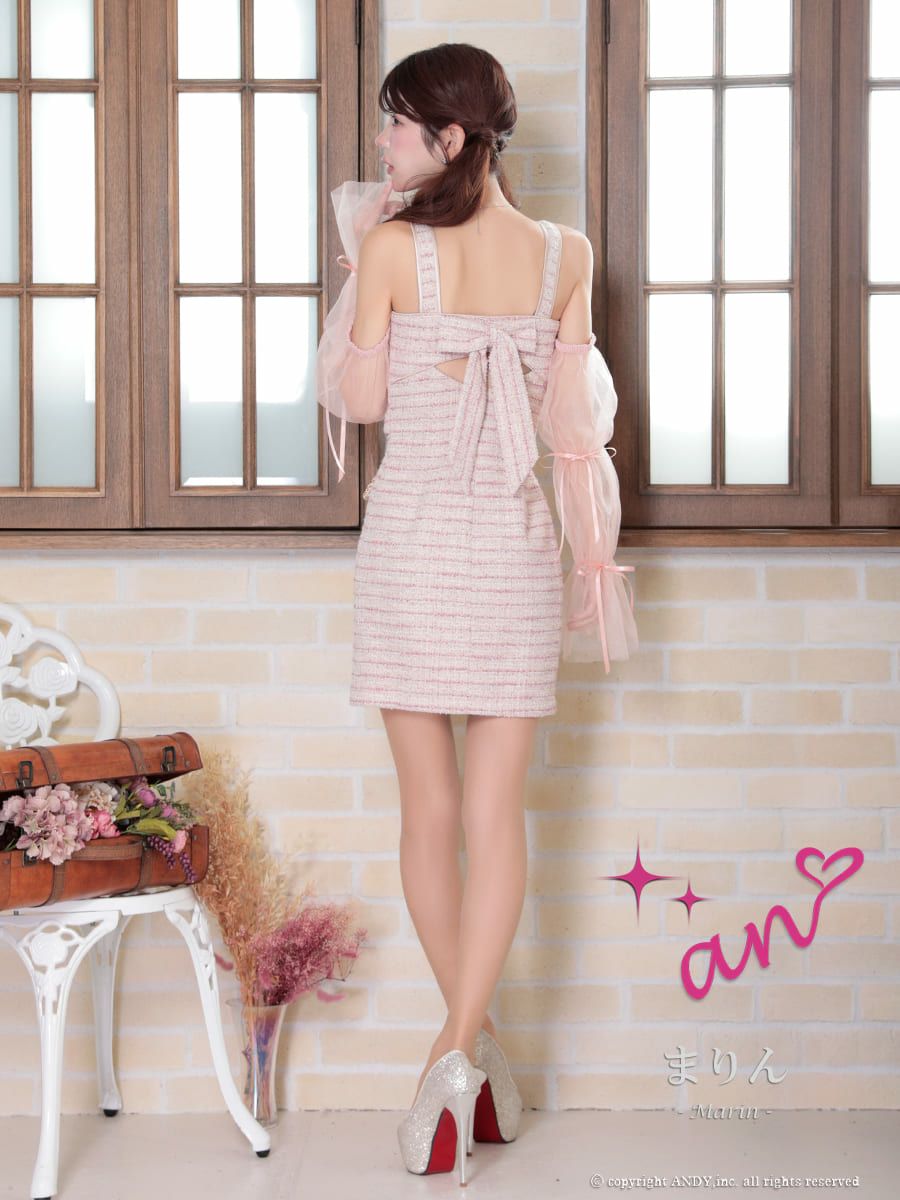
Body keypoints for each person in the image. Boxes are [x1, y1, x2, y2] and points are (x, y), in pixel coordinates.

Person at [315, 42, 639, 1184]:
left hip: (412, 543)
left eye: (397, 124)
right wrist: (593, 562)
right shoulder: (565, 254)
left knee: (432, 814)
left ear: (448, 138)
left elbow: (359, 402)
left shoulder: (391, 247)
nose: (383, 143)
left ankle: (449, 1054)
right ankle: (475, 1050)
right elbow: (574, 433)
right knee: (500, 816)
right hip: (513, 547)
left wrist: (366, 273)